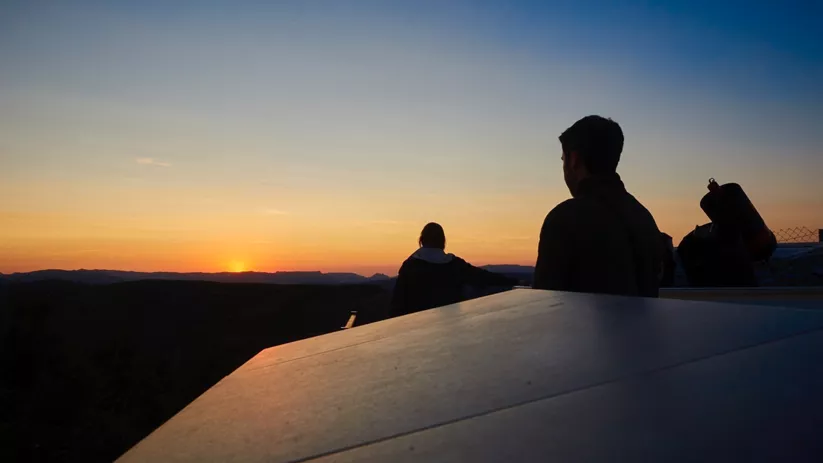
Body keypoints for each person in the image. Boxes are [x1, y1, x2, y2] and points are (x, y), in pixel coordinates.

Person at [533, 115, 663, 297]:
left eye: (563, 159)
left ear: (574, 160)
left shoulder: (565, 219)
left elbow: (544, 302)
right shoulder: (643, 217)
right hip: (640, 326)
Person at [391, 223, 518, 317]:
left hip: (416, 330)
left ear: (422, 240)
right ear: (443, 241)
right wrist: (515, 281)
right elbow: (482, 277)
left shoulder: (410, 266)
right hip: (451, 325)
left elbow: (397, 304)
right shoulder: (454, 264)